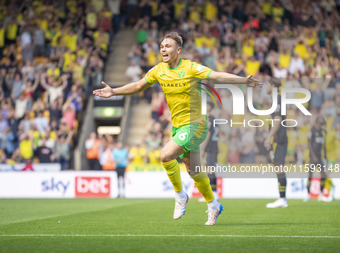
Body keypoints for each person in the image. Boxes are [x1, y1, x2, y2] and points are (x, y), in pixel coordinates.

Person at [94, 32, 261, 225]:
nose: (163, 49)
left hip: (196, 124)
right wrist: (114, 91)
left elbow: (215, 75)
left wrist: (243, 80)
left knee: (165, 155)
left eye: (168, 46)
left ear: (178, 50)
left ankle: (180, 195)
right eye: (162, 46)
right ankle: (213, 204)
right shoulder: (159, 70)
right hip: (179, 126)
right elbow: (139, 86)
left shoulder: (190, 68)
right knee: (194, 171)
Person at [264, 78, 288, 208]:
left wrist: (269, 137)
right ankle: (282, 198)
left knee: (279, 167)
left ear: (272, 85)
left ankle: (282, 199)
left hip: (279, 138)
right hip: (277, 138)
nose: (265, 87)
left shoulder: (277, 99)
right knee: (278, 167)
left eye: (267, 84)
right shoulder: (276, 100)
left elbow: (278, 120)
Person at [305, 116, 333, 202]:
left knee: (323, 175)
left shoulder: (323, 133)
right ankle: (307, 194)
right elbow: (309, 145)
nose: (322, 125)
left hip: (320, 158)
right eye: (321, 123)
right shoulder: (312, 131)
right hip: (312, 157)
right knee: (310, 175)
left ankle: (321, 193)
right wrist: (313, 157)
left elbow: (324, 147)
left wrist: (325, 158)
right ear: (317, 122)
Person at [200, 101, 219, 201]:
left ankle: (214, 193)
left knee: (210, 170)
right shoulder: (212, 118)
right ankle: (211, 193)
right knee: (209, 169)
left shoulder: (209, 119)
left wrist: (202, 149)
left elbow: (208, 133)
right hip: (212, 146)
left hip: (211, 147)